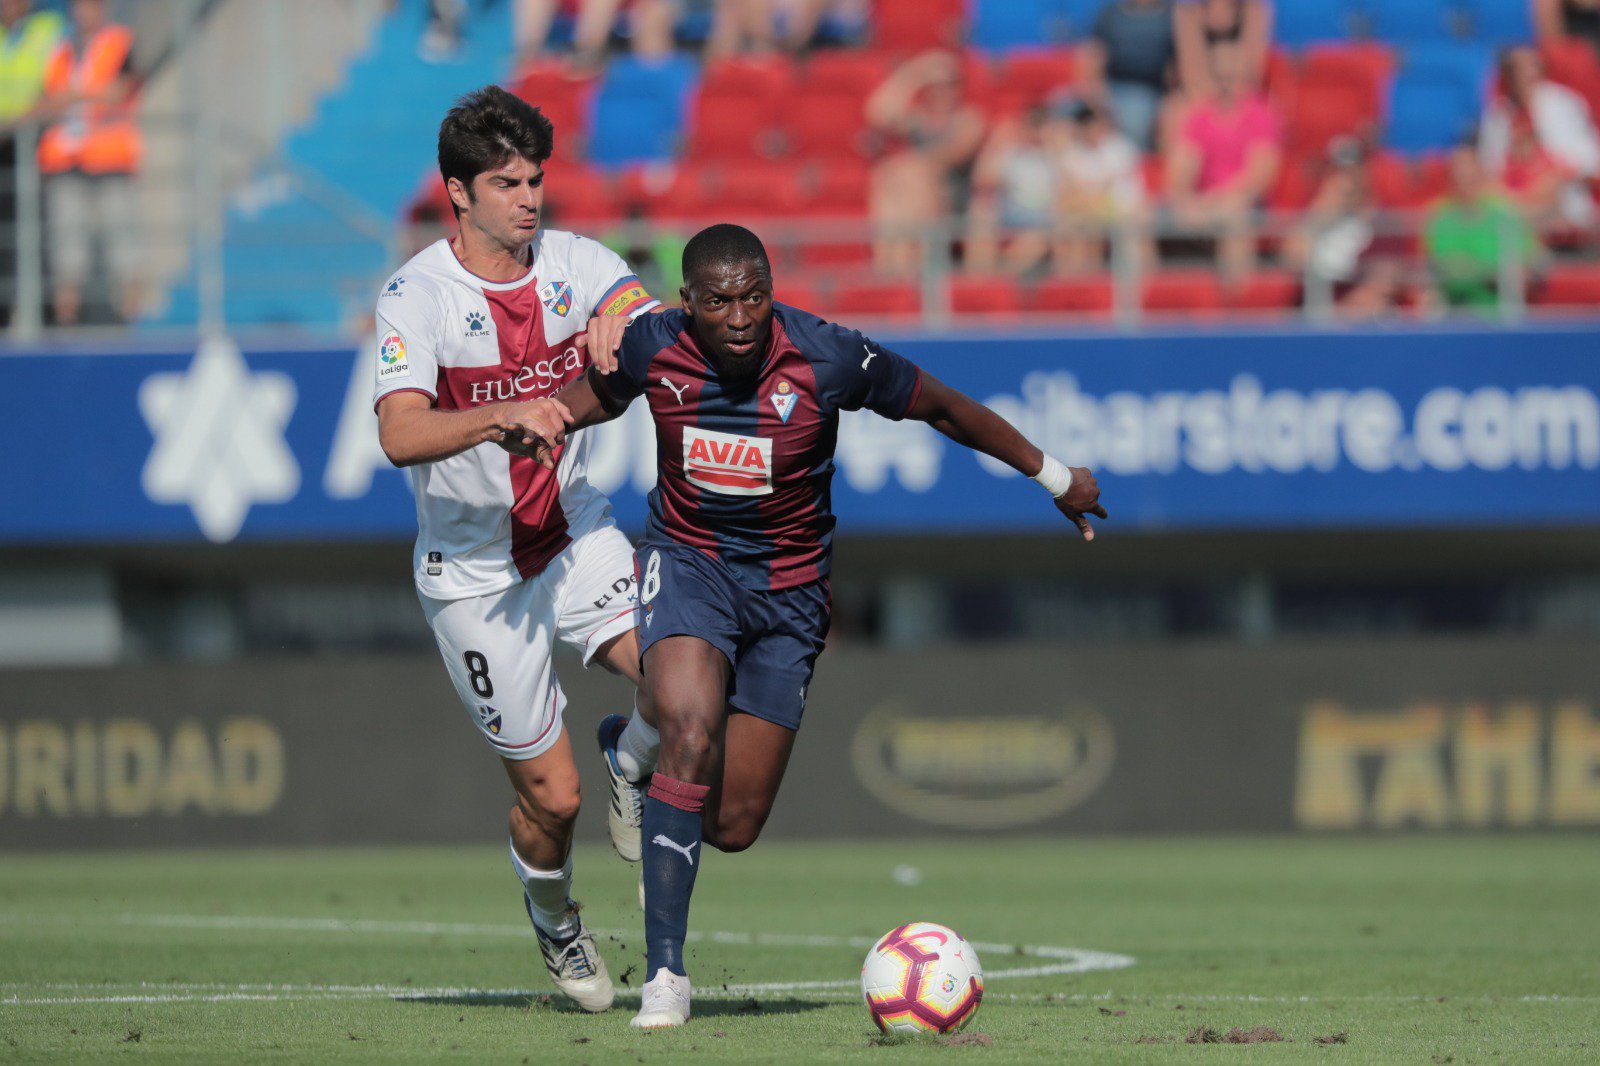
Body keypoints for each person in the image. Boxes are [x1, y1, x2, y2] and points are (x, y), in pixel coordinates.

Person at [511, 223, 1107, 1028]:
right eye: (719, 301)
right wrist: (543, 426)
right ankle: (665, 978)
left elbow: (942, 406)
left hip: (791, 597)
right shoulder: (654, 346)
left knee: (732, 823)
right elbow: (591, 399)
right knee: (690, 724)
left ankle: (628, 748)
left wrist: (1055, 475)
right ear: (688, 303)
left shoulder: (828, 355)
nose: (741, 316)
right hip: (691, 566)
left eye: (754, 296)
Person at [372, 85, 666, 1013]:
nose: (529, 198)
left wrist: (631, 319)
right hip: (472, 579)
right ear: (458, 192)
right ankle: (556, 922)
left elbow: (635, 306)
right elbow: (399, 434)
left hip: (574, 532)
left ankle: (633, 756)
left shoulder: (573, 261)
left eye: (536, 179)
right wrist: (497, 414)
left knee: (679, 675)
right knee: (555, 802)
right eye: (506, 183)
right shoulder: (415, 295)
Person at [36, 0, 138, 326]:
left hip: (110, 159)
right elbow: (48, 99)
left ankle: (131, 323)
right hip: (67, 160)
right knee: (67, 252)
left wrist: (78, 96)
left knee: (123, 248)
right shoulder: (61, 49)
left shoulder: (119, 41)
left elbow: (121, 89)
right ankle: (68, 323)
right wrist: (84, 96)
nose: (84, 13)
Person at [1163, 40, 1282, 282]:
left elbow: (1259, 177)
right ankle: (1139, 306)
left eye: (1232, 75)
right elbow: (1182, 167)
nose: (1226, 82)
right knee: (1140, 222)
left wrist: (1217, 203)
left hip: (1242, 203)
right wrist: (1187, 201)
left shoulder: (1261, 115)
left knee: (1235, 220)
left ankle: (1235, 308)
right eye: (1220, 75)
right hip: (1203, 203)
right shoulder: (1198, 115)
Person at [865, 49, 986, 275]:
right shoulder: (919, 119)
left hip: (950, 200)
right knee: (887, 179)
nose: (942, 92)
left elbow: (953, 154)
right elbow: (877, 111)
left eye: (949, 85)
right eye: (936, 86)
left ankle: (908, 268)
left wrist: (910, 165)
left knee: (913, 176)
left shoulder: (968, 119)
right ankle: (890, 265)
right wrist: (915, 73)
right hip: (911, 196)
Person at [1480, 45, 1600, 227]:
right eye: (1518, 68)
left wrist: (1557, 176)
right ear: (1506, 74)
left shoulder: (1565, 104)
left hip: (1564, 212)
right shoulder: (1497, 116)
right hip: (1512, 215)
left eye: (1533, 65)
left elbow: (1591, 162)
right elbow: (1489, 170)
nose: (1528, 73)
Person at [0, 0, 63, 327]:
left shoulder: (47, 29)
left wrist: (24, 120)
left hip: (37, 143)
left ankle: (46, 313)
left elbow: (60, 81)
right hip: (3, 148)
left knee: (39, 231)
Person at [1423, 143, 1543, 314]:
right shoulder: (1440, 220)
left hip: (1500, 316)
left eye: (1471, 180)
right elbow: (1451, 270)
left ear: (1482, 178)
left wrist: (1482, 270)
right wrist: (1494, 271)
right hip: (1455, 316)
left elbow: (1525, 265)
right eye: (1459, 179)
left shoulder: (1505, 217)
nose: (1466, 187)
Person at [1080, 0, 1177, 152]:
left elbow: (1177, 66)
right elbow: (1094, 56)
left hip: (1147, 91)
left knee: (1134, 118)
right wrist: (1096, 94)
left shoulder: (1172, 14)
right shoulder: (1111, 12)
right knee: (1065, 110)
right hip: (1110, 86)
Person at [1174, 0, 1272, 99]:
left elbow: (1253, 73)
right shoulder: (1188, 8)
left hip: (1243, 98)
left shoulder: (1256, 7)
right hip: (1201, 98)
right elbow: (1192, 76)